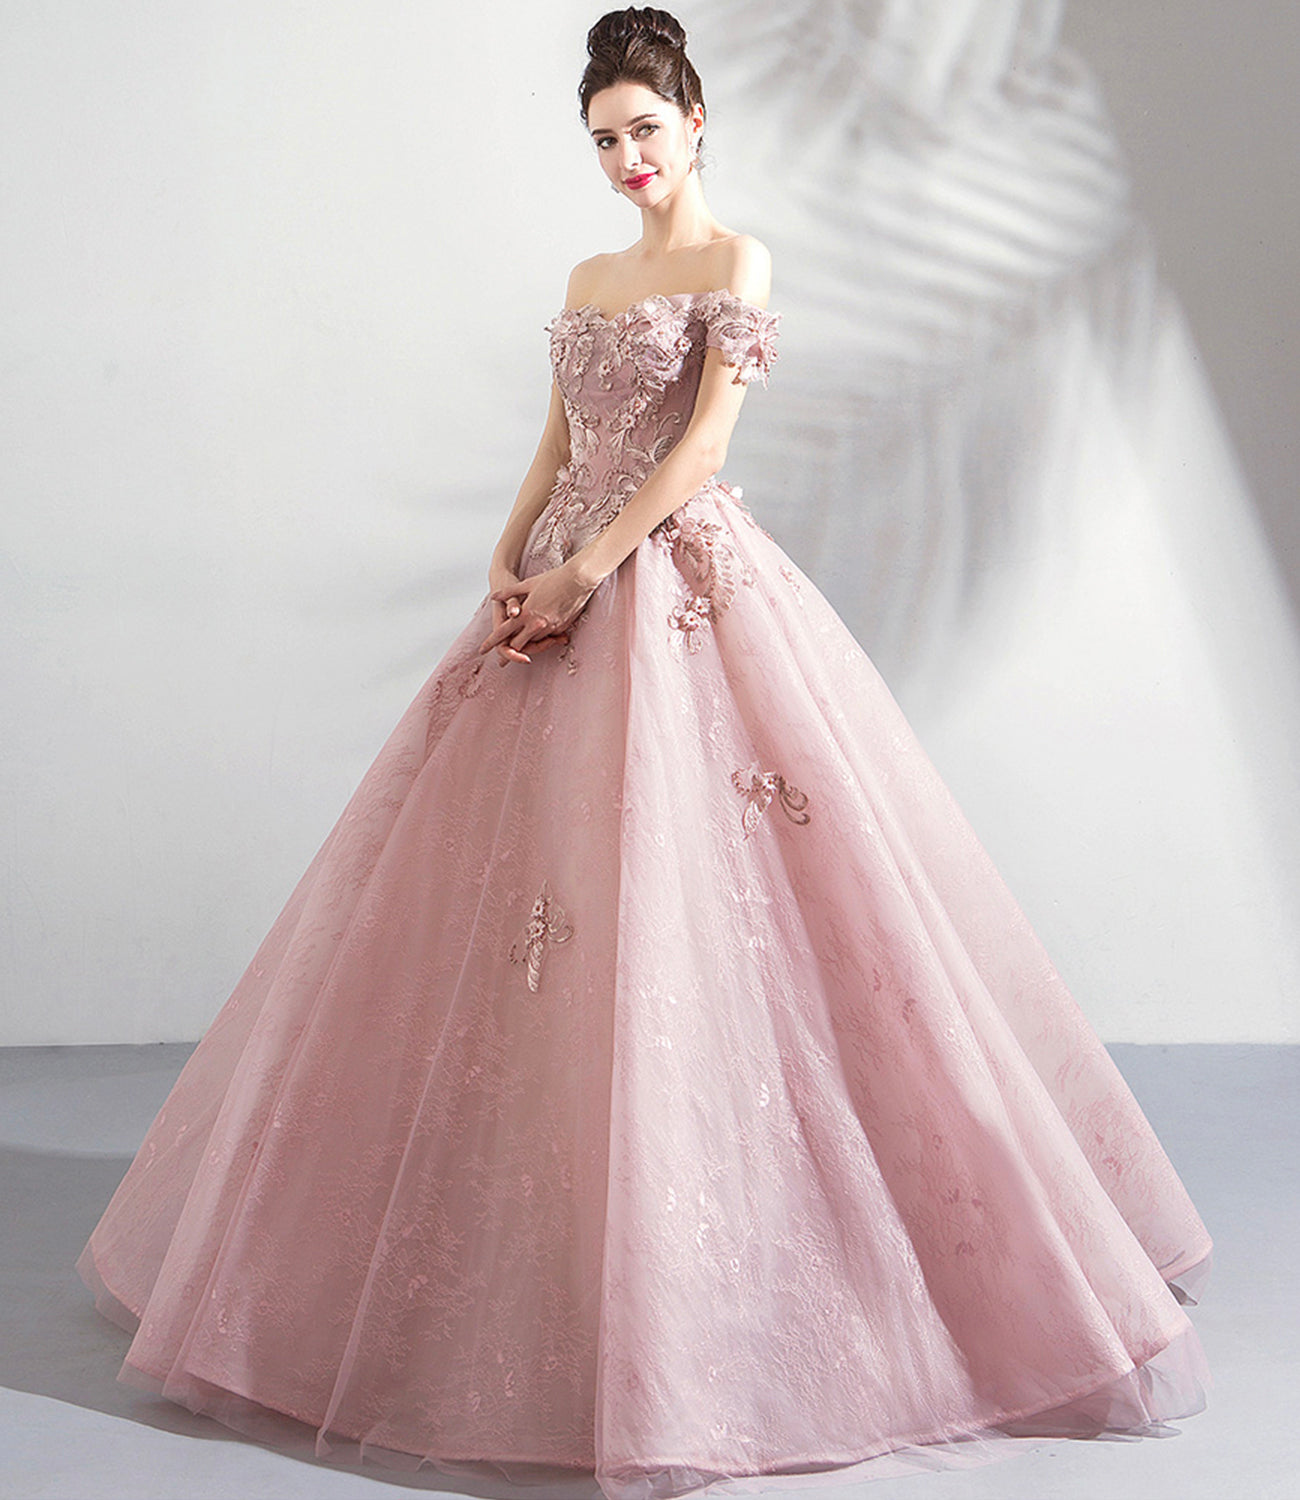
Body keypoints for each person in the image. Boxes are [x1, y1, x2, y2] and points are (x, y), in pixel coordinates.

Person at [76, 8, 1213, 1498]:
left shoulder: (735, 263)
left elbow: (701, 452)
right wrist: (508, 564)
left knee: (709, 909)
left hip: (664, 587)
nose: (625, 160)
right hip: (550, 590)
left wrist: (586, 571)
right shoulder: (588, 280)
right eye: (603, 140)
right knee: (513, 916)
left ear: (697, 122)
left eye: (645, 132)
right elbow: (552, 448)